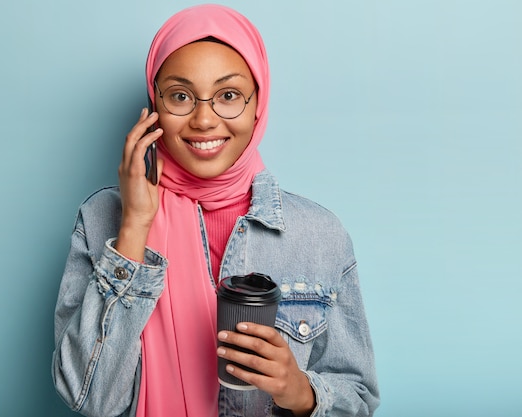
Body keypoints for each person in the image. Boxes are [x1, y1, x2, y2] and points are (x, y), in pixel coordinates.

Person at [52, 4, 379, 417]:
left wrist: (300, 391)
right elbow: (90, 397)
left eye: (228, 96)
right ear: (155, 105)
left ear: (258, 103)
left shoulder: (318, 236)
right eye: (181, 96)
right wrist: (135, 225)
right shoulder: (102, 218)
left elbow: (359, 397)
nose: (204, 119)